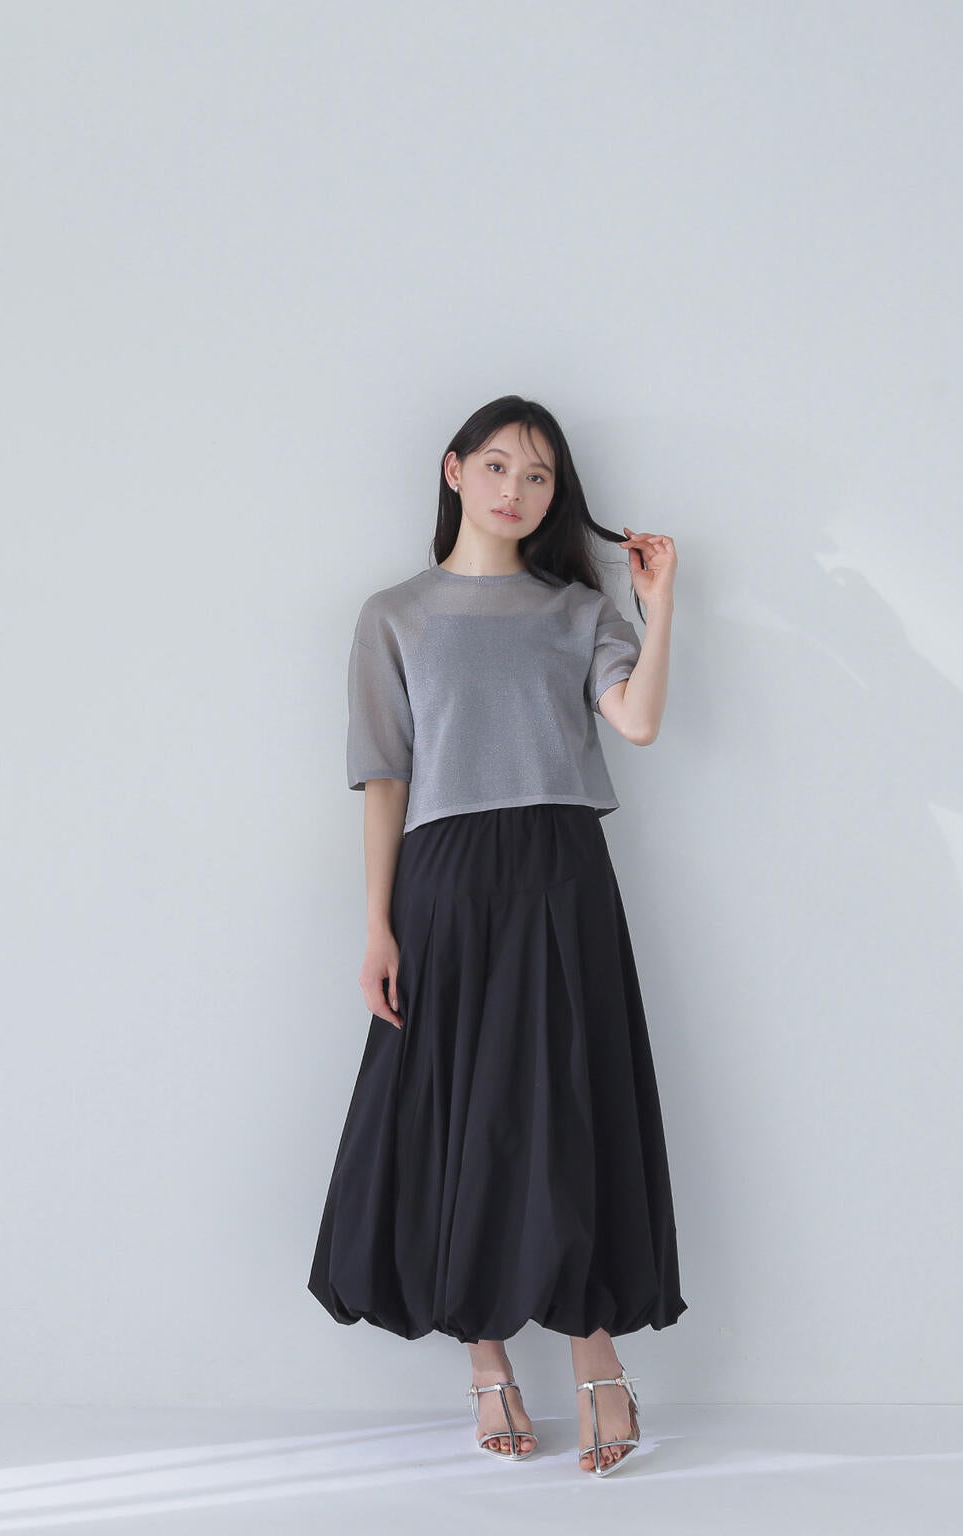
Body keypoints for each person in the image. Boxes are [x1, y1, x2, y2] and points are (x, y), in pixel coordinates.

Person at [307, 394, 688, 1475]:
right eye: (497, 467)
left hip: (562, 877)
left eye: (537, 475)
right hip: (444, 883)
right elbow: (383, 777)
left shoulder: (576, 610)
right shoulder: (393, 615)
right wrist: (376, 925)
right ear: (454, 470)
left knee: (569, 1107)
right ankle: (486, 1360)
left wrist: (658, 607)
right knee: (462, 1114)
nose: (515, 490)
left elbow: (637, 722)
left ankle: (596, 1358)